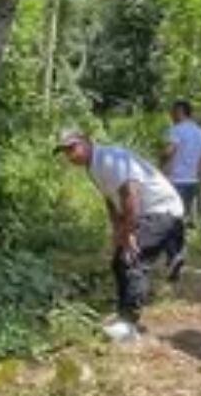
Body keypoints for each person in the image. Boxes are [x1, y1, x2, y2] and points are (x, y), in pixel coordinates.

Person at [56, 130, 185, 343]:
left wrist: (129, 233)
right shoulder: (93, 166)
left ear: (87, 142)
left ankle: (129, 325)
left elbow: (130, 194)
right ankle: (123, 316)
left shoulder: (109, 159)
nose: (70, 156)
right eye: (65, 152)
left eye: (73, 148)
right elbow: (112, 200)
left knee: (132, 259)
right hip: (148, 212)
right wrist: (117, 231)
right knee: (118, 261)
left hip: (162, 209)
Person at [160, 100, 201, 223]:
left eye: (172, 112)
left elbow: (169, 152)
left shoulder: (176, 130)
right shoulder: (200, 132)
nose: (171, 116)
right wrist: (200, 168)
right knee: (182, 218)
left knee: (170, 220)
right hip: (192, 182)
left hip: (175, 181)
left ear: (180, 112)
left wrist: (159, 160)